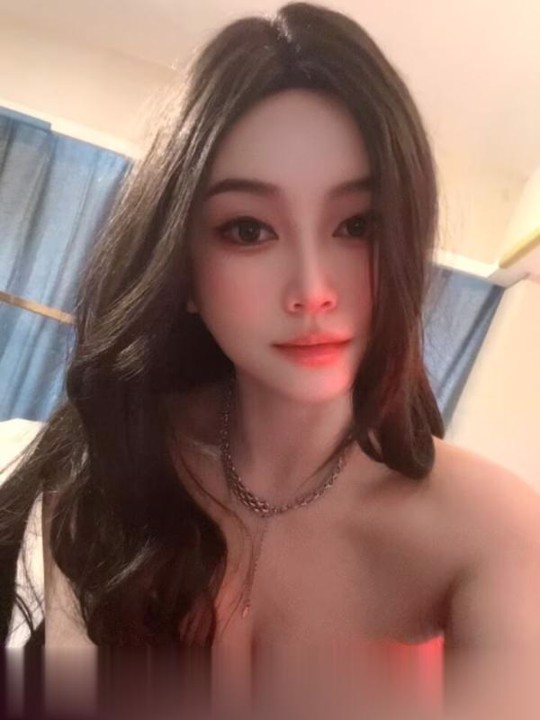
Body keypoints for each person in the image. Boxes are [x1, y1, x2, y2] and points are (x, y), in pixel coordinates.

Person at [1, 2, 540, 717]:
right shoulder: (113, 461)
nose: (313, 291)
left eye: (357, 224)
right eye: (248, 230)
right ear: (183, 269)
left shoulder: (494, 530)